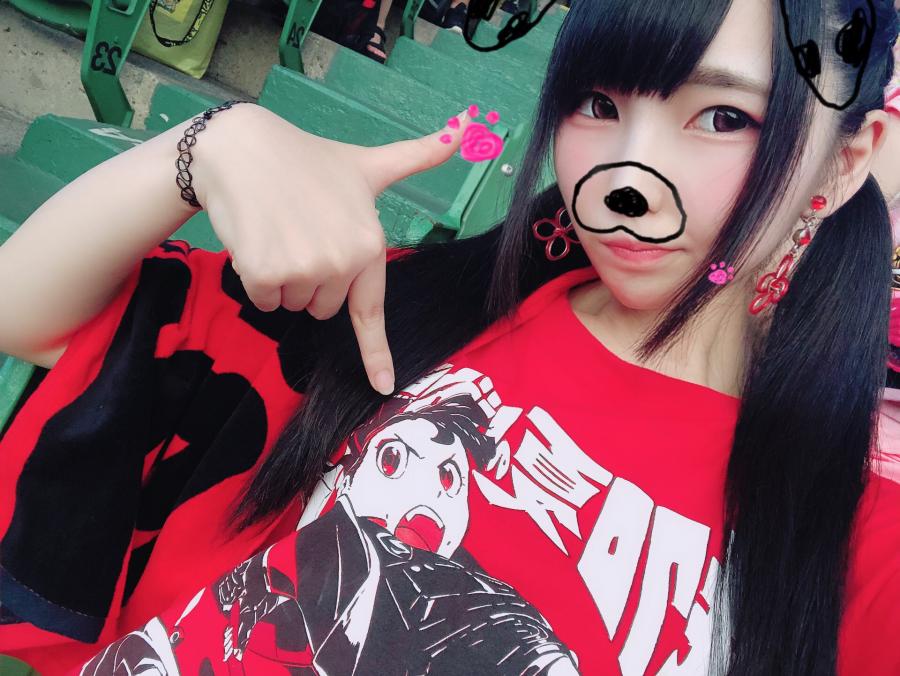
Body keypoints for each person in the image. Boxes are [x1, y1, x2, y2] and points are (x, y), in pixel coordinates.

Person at [0, 0, 898, 674]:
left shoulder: (856, 537)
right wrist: (204, 147)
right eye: (596, 103)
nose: (627, 181)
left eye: (725, 118)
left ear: (848, 158)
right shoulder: (420, 315)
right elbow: (28, 314)